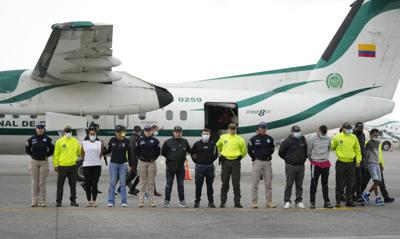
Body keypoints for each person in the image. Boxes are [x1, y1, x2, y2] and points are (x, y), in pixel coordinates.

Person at [216, 123, 247, 208]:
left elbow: (244, 151)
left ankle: (237, 202)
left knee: (236, 184)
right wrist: (220, 152)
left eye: (234, 129)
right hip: (225, 162)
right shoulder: (223, 137)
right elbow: (218, 145)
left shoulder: (240, 139)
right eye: (231, 129)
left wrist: (238, 157)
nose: (232, 130)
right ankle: (223, 202)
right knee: (225, 183)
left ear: (236, 129)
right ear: (228, 129)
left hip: (236, 162)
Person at [331, 123, 361, 207]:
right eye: (347, 128)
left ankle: (349, 200)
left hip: (351, 163)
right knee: (339, 182)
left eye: (350, 128)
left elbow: (358, 150)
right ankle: (338, 201)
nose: (349, 130)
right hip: (341, 162)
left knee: (350, 182)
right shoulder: (337, 137)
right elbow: (332, 147)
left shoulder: (353, 137)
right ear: (343, 129)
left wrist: (358, 160)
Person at [25, 122, 54, 207]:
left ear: (43, 130)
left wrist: (46, 155)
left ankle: (42, 200)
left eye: (41, 128)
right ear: (36, 129)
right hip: (34, 162)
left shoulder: (47, 139)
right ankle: (34, 201)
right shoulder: (31, 139)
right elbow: (27, 149)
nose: (40, 130)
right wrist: (33, 155)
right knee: (34, 183)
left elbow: (52, 150)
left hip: (44, 162)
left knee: (42, 183)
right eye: (38, 128)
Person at [247, 122, 276, 209]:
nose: (263, 129)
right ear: (258, 128)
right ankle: (254, 202)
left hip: (267, 162)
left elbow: (272, 149)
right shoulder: (253, 139)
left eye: (265, 128)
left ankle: (269, 202)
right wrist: (254, 158)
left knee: (268, 183)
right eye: (262, 127)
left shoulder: (270, 138)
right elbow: (249, 150)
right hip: (257, 162)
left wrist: (268, 155)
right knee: (255, 183)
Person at [161, 126, 191, 208]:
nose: (178, 133)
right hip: (170, 167)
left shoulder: (185, 141)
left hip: (180, 167)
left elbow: (190, 150)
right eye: (176, 132)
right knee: (168, 184)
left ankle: (182, 201)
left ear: (182, 133)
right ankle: (167, 201)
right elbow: (163, 152)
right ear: (173, 133)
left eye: (179, 132)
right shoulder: (168, 142)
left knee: (180, 185)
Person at [278, 125, 307, 209]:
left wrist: (303, 158)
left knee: (299, 185)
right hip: (290, 166)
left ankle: (299, 201)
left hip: (301, 166)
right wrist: (288, 159)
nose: (297, 133)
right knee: (289, 184)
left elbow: (305, 151)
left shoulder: (302, 139)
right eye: (295, 132)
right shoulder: (287, 141)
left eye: (298, 131)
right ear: (291, 132)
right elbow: (281, 153)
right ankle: (287, 201)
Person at [104, 125, 133, 207]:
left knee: (123, 183)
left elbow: (130, 154)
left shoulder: (126, 141)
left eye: (120, 132)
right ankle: (111, 201)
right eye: (117, 132)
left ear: (122, 132)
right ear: (115, 132)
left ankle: (124, 201)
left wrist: (130, 165)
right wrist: (103, 152)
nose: (118, 133)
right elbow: (109, 150)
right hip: (113, 164)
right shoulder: (112, 140)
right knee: (112, 183)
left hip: (123, 164)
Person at [53, 126, 81, 207]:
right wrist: (55, 165)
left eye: (69, 131)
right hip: (62, 166)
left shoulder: (75, 141)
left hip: (72, 166)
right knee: (60, 185)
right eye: (67, 131)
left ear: (71, 132)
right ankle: (59, 201)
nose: (68, 132)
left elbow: (78, 152)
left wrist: (74, 157)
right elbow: (56, 154)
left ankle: (73, 201)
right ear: (64, 132)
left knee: (73, 185)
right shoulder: (59, 141)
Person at [307, 125, 333, 209]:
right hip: (315, 163)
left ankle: (327, 201)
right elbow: (308, 152)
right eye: (322, 132)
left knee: (325, 184)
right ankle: (312, 202)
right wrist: (313, 160)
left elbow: (329, 148)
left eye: (324, 133)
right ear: (318, 130)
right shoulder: (312, 139)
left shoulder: (328, 138)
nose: (323, 134)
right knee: (314, 183)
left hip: (325, 163)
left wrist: (324, 157)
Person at [191, 128, 218, 208]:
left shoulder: (213, 144)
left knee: (210, 185)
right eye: (204, 134)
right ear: (201, 135)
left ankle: (211, 202)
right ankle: (197, 201)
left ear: (209, 135)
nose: (206, 135)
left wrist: (210, 160)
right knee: (198, 185)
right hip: (200, 167)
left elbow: (215, 154)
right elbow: (193, 154)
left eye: (207, 134)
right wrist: (197, 162)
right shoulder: (197, 144)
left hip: (209, 166)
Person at [135, 125, 161, 207]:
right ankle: (141, 201)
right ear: (144, 131)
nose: (148, 132)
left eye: (149, 130)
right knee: (142, 182)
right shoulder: (140, 140)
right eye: (146, 130)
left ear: (151, 131)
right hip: (142, 162)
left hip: (151, 163)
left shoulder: (155, 141)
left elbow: (158, 151)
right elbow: (136, 150)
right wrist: (140, 158)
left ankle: (152, 201)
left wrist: (154, 158)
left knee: (151, 183)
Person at [361, 129, 385, 206]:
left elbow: (378, 154)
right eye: (375, 135)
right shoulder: (368, 143)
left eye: (377, 135)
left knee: (379, 181)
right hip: (371, 164)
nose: (376, 137)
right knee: (375, 181)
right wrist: (365, 165)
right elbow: (365, 155)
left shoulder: (378, 143)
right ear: (371, 135)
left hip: (377, 163)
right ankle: (377, 198)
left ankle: (366, 194)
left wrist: (381, 163)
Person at [81, 127, 103, 207]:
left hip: (97, 165)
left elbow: (100, 154)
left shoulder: (99, 143)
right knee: (88, 184)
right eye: (91, 134)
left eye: (94, 134)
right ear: (88, 134)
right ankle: (88, 200)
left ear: (96, 135)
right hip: (87, 165)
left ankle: (94, 201)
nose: (92, 135)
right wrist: (87, 160)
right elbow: (82, 153)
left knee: (94, 184)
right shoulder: (84, 143)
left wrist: (95, 159)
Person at [352, 122, 366, 205]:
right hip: (354, 160)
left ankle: (358, 194)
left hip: (361, 159)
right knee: (355, 179)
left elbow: (362, 147)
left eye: (362, 128)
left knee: (361, 178)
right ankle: (352, 195)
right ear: (356, 127)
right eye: (359, 128)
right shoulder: (353, 135)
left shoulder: (362, 134)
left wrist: (363, 158)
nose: (361, 129)